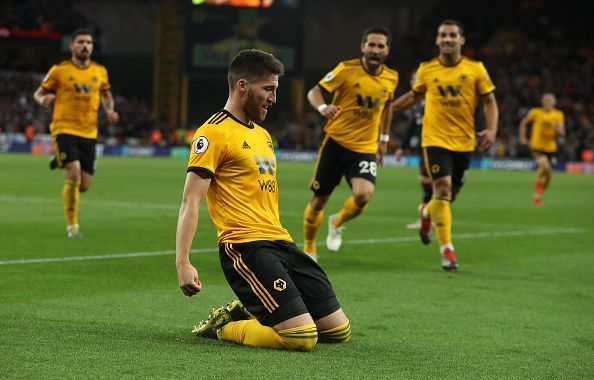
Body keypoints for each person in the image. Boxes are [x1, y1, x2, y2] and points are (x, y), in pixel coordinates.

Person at [175, 49, 350, 352]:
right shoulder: (213, 132)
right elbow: (190, 201)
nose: (273, 98)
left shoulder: (264, 136)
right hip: (245, 246)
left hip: (281, 242)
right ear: (243, 86)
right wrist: (183, 263)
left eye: (275, 89)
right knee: (301, 338)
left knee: (338, 330)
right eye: (268, 89)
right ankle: (227, 326)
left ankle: (254, 308)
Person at [391, 20, 498, 270]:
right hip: (434, 139)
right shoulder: (427, 69)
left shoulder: (476, 69)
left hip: (463, 142)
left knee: (449, 197)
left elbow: (490, 101)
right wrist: (390, 109)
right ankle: (447, 250)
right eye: (443, 35)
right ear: (437, 40)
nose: (448, 39)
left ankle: (426, 212)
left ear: (461, 40)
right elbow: (414, 96)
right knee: (443, 189)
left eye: (452, 35)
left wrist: (491, 130)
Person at [302, 26, 399, 261]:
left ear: (387, 50)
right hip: (336, 143)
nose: (375, 49)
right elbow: (314, 92)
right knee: (319, 201)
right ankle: (309, 248)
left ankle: (337, 221)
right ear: (363, 47)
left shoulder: (392, 77)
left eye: (380, 46)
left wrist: (384, 139)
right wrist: (323, 107)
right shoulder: (346, 69)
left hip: (364, 149)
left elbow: (387, 108)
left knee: (363, 195)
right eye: (371, 45)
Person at [33, 28, 119, 238]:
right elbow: (39, 92)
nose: (85, 46)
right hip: (64, 128)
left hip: (89, 132)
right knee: (73, 174)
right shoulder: (59, 70)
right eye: (80, 42)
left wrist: (109, 110)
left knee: (84, 185)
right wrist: (42, 100)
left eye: (88, 42)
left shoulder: (100, 71)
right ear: (72, 46)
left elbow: (106, 95)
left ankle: (60, 160)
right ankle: (72, 226)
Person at [394, 71, 433, 229]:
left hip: (436, 144)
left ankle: (428, 216)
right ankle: (428, 216)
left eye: (415, 78)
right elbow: (411, 127)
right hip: (423, 146)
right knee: (427, 182)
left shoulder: (433, 99)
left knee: (431, 183)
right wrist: (402, 148)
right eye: (411, 78)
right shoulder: (417, 104)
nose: (412, 81)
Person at [518, 93, 565, 206]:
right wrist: (522, 138)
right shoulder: (535, 112)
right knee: (546, 167)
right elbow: (523, 123)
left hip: (551, 148)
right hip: (537, 146)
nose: (548, 102)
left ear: (554, 102)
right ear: (542, 102)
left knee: (549, 174)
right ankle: (538, 187)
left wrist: (556, 129)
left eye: (550, 100)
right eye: (546, 100)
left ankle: (538, 194)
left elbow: (562, 132)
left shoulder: (558, 114)